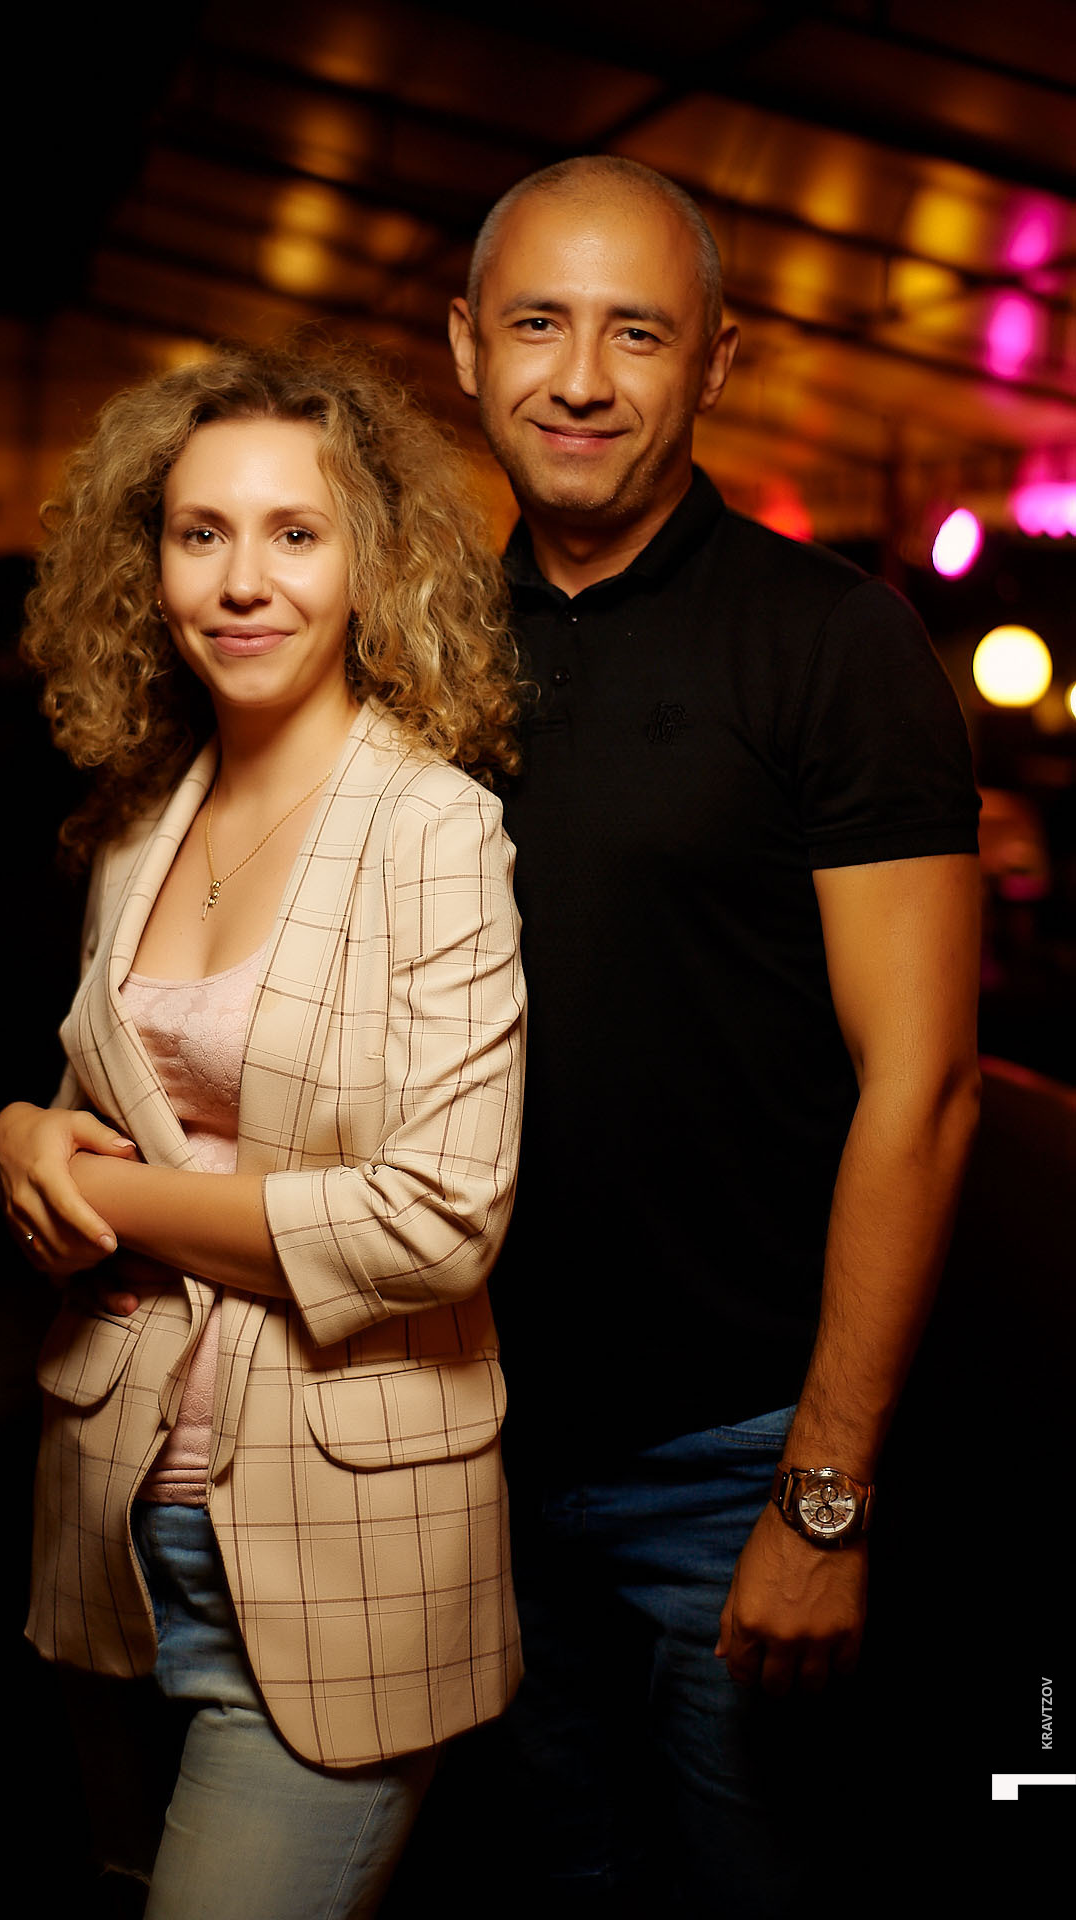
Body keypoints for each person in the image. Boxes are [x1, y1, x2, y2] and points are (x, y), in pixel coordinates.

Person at [441, 156, 982, 1917]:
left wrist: (821, 1498)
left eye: (637, 333)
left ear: (716, 362)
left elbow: (923, 1090)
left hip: (730, 1462)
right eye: (538, 323)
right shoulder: (411, 650)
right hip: (455, 1445)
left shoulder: (832, 642)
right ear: (465, 347)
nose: (580, 378)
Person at [0, 339, 526, 1920]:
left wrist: (104, 1187)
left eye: (296, 532)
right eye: (199, 532)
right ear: (145, 563)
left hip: (340, 1550)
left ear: (371, 564)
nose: (241, 581)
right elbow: (101, 1128)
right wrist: (21, 1134)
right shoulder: (137, 827)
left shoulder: (432, 830)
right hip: (109, 1531)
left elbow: (438, 1221)